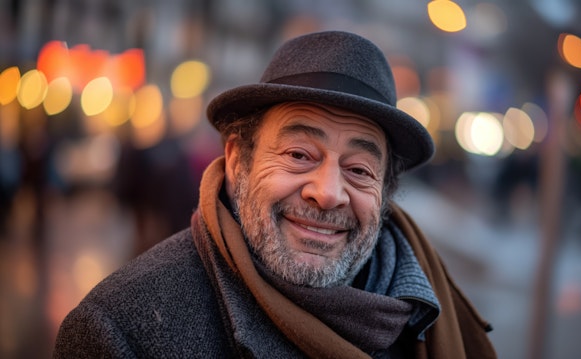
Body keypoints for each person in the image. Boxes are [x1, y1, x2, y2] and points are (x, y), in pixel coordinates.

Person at [54, 30, 496, 358]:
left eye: (359, 169)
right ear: (237, 160)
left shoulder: (422, 320)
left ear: (384, 193)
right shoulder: (121, 332)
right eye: (300, 154)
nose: (327, 193)